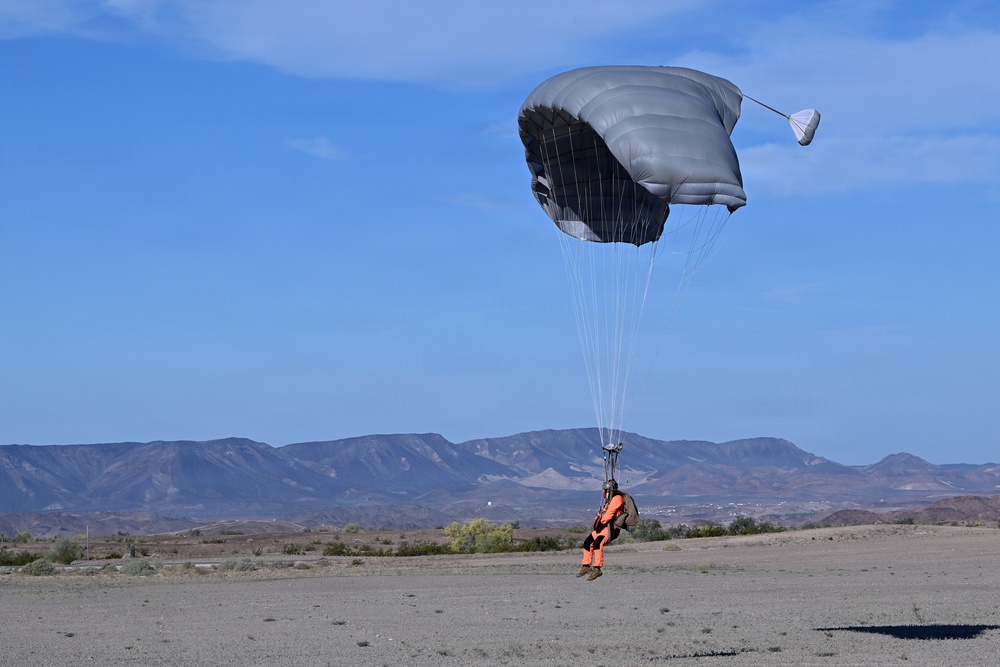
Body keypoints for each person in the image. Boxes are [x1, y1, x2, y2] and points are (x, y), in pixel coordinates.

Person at [576, 479, 624, 581]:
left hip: (611, 528)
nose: (605, 493)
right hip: (602, 527)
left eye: (606, 490)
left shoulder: (617, 498)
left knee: (598, 543)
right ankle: (586, 565)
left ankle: (597, 569)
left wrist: (602, 522)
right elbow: (603, 512)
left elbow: (610, 513)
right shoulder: (608, 501)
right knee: (588, 542)